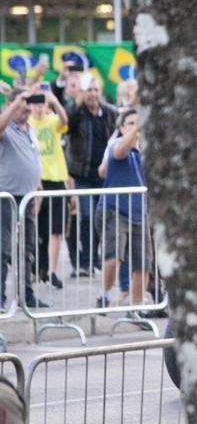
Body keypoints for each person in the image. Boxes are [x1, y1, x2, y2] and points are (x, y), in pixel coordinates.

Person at [96, 109, 151, 314]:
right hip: (114, 209)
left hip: (139, 212)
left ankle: (137, 308)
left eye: (138, 122)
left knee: (143, 263)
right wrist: (138, 127)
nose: (135, 126)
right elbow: (119, 153)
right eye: (130, 123)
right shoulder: (116, 145)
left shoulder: (145, 150)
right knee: (114, 255)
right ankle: (104, 295)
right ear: (121, 127)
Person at [0, 90, 48, 309]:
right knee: (4, 249)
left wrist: (37, 189)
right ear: (12, 104)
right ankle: (0, 296)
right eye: (23, 104)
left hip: (27, 197)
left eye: (29, 105)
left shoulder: (30, 130)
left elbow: (34, 159)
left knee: (27, 249)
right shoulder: (6, 126)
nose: (27, 109)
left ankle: (26, 296)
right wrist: (14, 104)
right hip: (7, 197)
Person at [65, 76, 117, 275]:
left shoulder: (110, 114)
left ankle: (95, 258)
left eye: (96, 90)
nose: (93, 94)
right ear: (83, 92)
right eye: (89, 90)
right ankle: (85, 261)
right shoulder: (77, 113)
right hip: (82, 175)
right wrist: (76, 102)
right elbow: (67, 124)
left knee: (100, 218)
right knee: (86, 216)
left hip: (104, 176)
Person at [28, 90, 70, 289]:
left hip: (56, 178)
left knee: (56, 229)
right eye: (35, 104)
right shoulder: (27, 123)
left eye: (41, 104)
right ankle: (38, 268)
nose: (38, 108)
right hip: (36, 179)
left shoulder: (52, 120)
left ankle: (52, 270)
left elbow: (64, 121)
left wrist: (55, 101)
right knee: (39, 228)